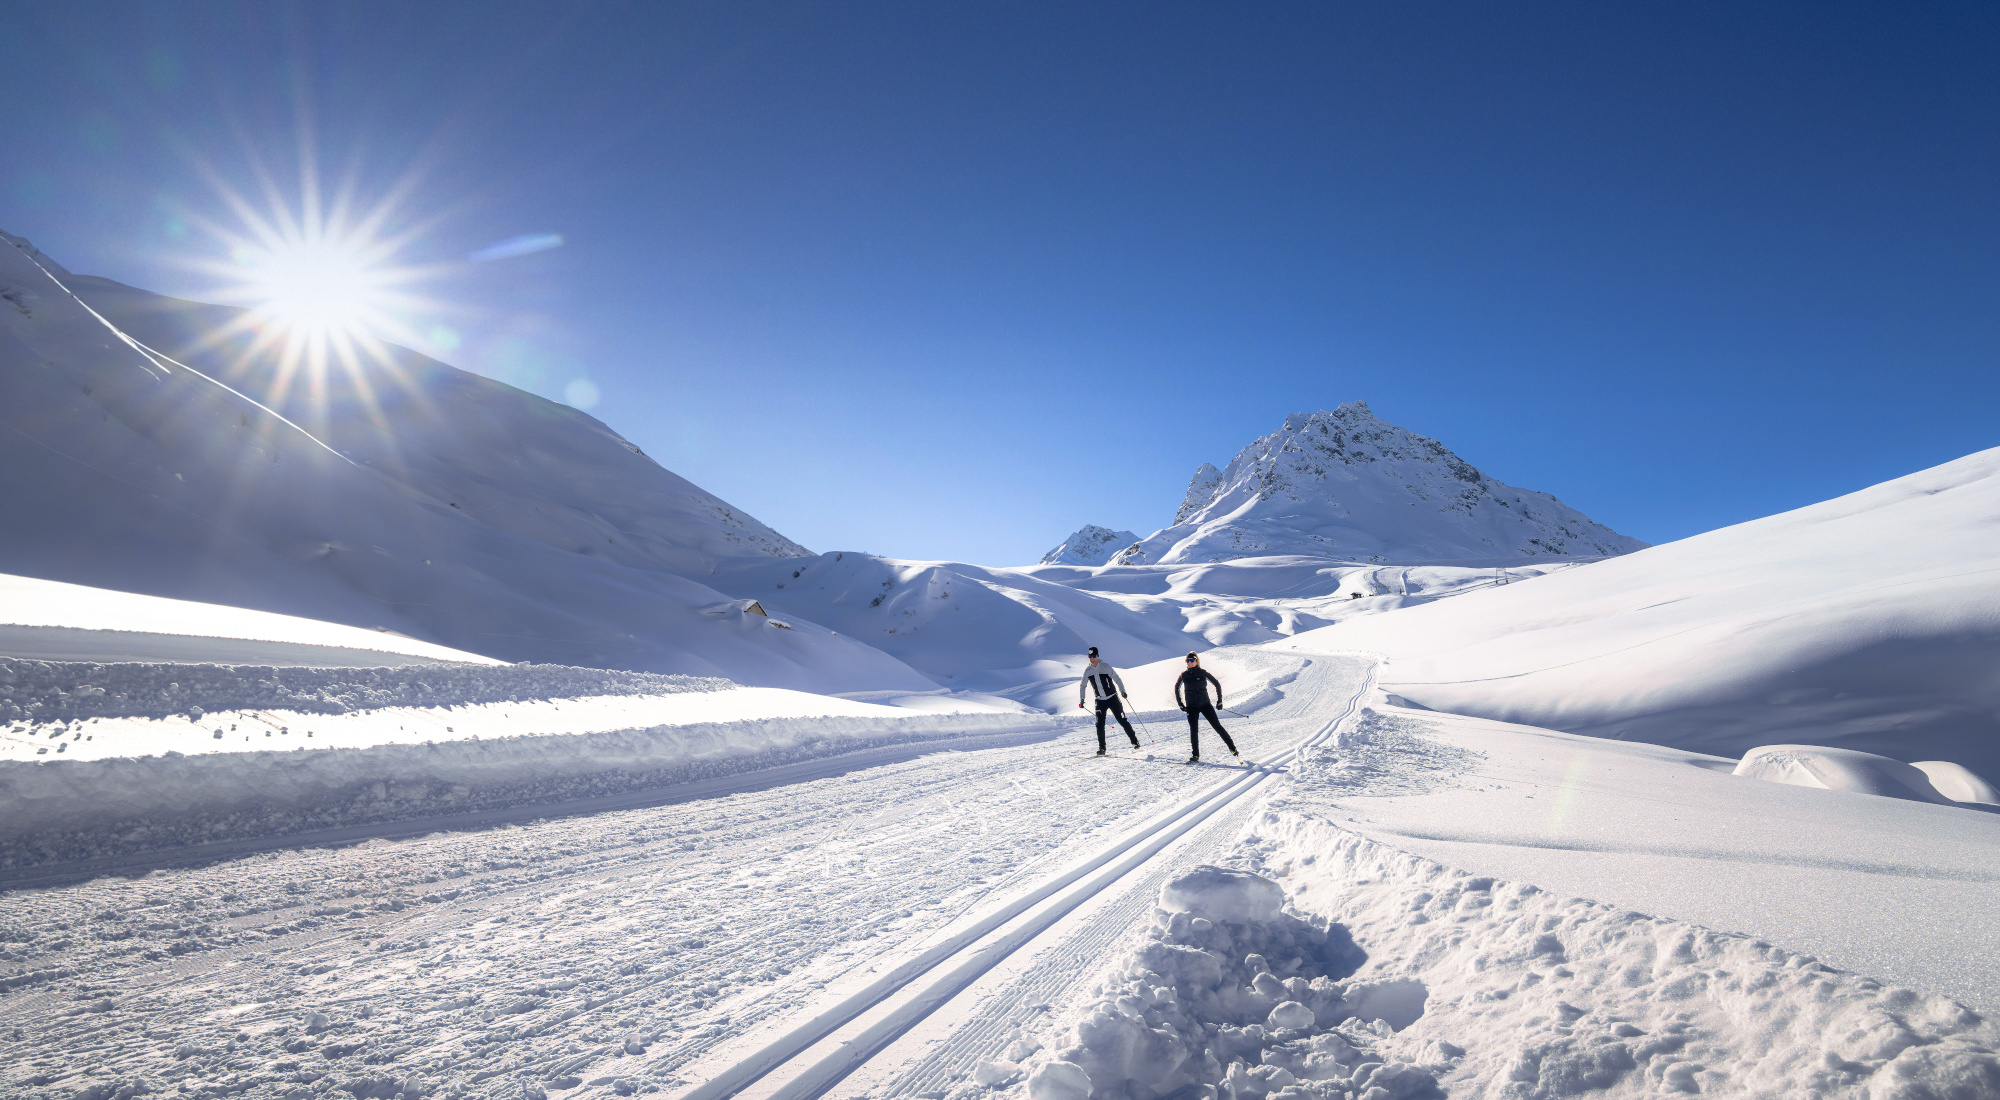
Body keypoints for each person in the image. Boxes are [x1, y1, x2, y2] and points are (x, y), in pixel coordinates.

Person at [1175, 652, 1238, 763]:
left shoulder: (1203, 673)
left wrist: (1219, 701)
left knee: (1217, 726)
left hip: (1205, 704)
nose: (1190, 663)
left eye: (1191, 660)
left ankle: (1232, 748)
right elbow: (1176, 688)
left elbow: (1217, 684)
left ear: (1196, 661)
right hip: (1191, 707)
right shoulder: (1184, 675)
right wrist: (1180, 703)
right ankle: (1195, 755)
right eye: (1187, 661)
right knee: (1194, 731)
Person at [1077, 646, 1140, 756]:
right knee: (1099, 725)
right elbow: (1083, 685)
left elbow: (1117, 678)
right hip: (1100, 700)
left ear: (1097, 656)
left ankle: (1135, 742)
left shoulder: (1105, 667)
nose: (1092, 659)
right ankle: (1102, 749)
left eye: (1093, 656)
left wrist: (1122, 691)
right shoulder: (1088, 671)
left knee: (1122, 720)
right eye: (1089, 656)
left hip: (1112, 698)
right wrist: (1082, 700)